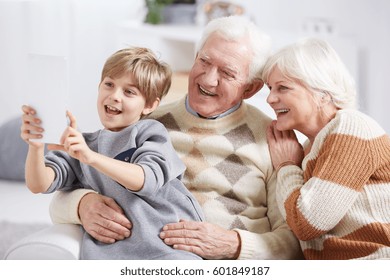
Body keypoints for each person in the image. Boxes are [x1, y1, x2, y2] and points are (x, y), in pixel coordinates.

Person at [49, 16, 303, 260]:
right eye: (204, 61)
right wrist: (81, 204)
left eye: (227, 73)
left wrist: (233, 245)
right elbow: (68, 182)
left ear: (251, 88)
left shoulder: (273, 139)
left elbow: (294, 241)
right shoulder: (144, 123)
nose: (208, 78)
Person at [20, 47, 204, 260]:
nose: (114, 96)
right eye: (109, 84)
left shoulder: (149, 132)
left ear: (150, 104)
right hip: (113, 255)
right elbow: (38, 184)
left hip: (169, 248)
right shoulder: (83, 145)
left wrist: (91, 157)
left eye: (129, 92)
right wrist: (35, 146)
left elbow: (147, 179)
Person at [263, 37, 390, 259]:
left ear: (322, 93)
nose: (270, 99)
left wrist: (286, 166)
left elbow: (307, 223)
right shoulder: (307, 149)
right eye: (270, 88)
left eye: (282, 88)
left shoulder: (351, 126)